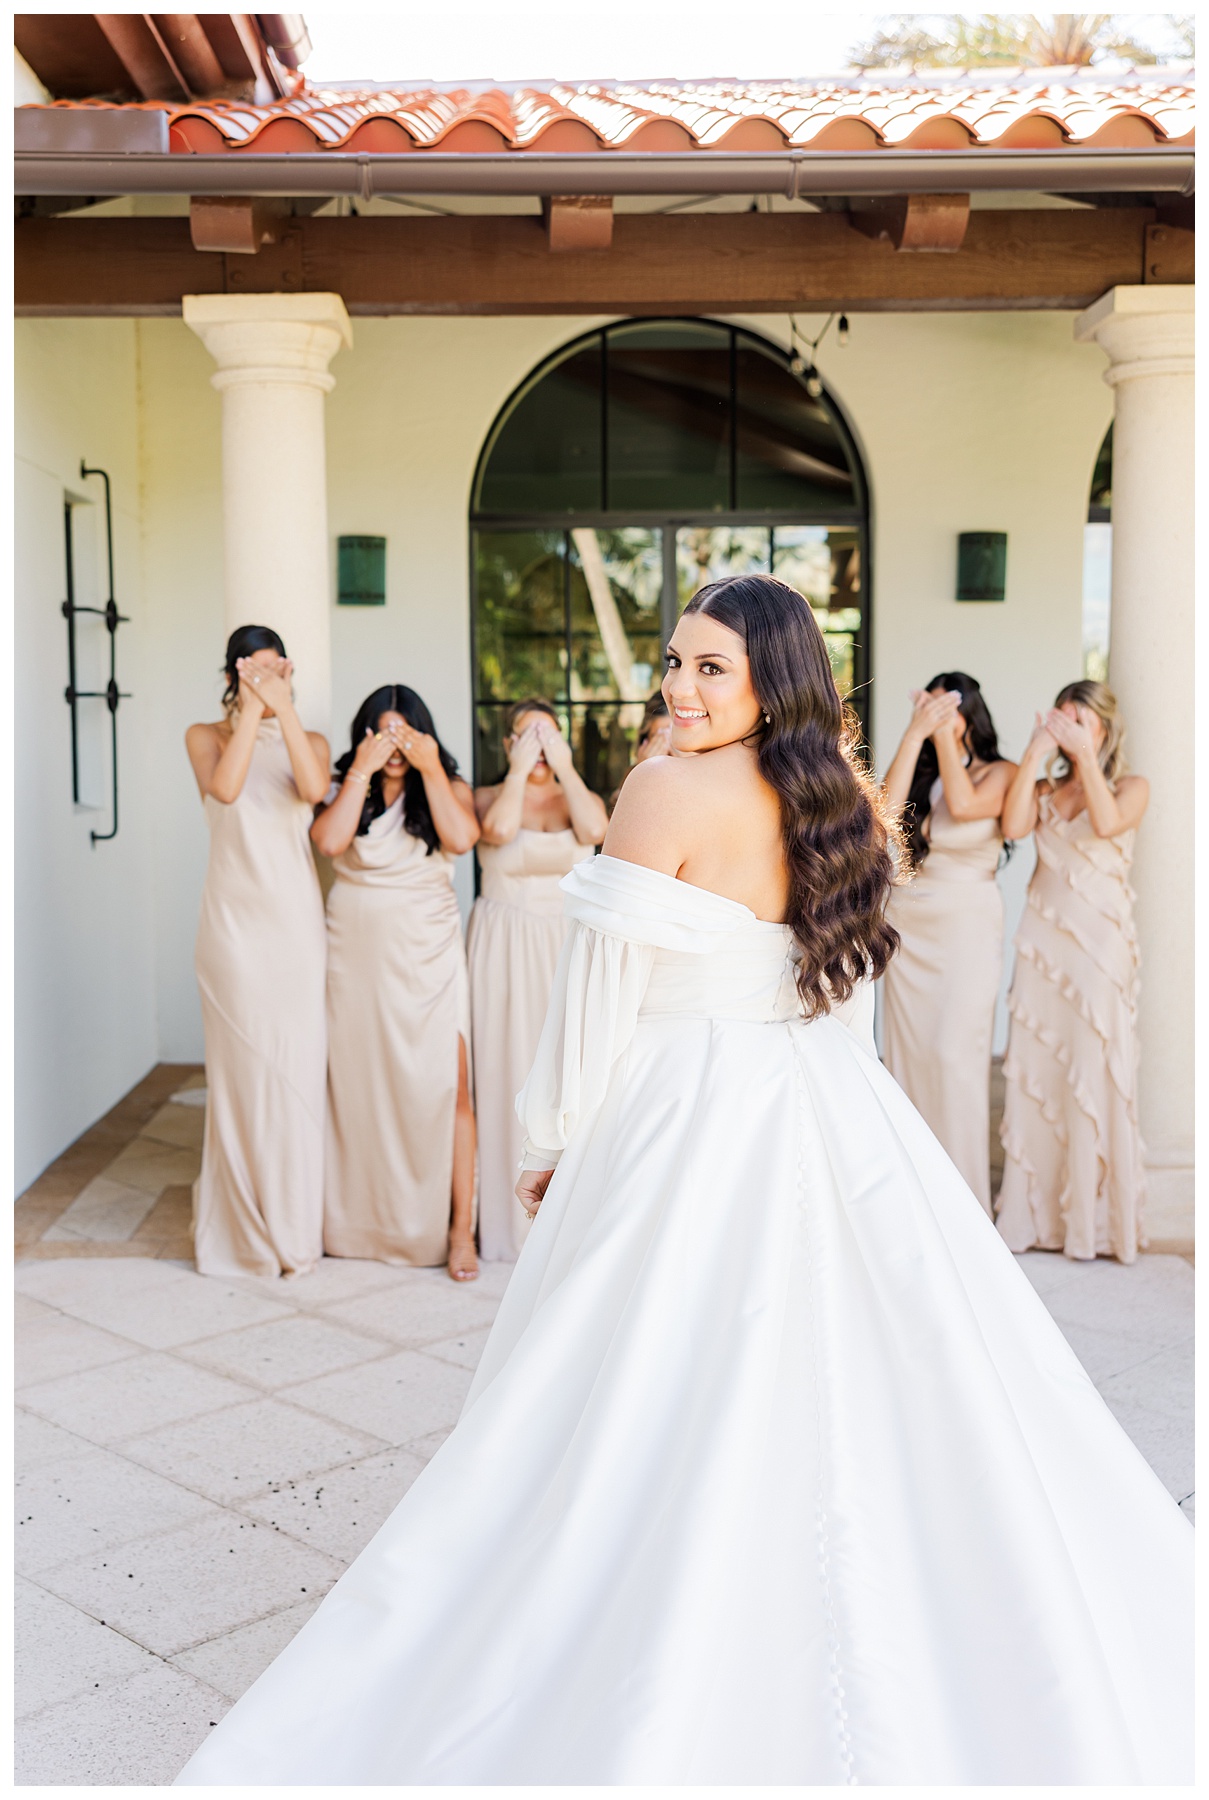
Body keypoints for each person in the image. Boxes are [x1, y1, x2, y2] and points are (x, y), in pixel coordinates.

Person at [176, 579, 1189, 1787]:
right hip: (829, 1103)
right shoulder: (845, 800)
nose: (680, 689)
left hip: (692, 1105)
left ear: (776, 676)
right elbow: (844, 995)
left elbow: (597, 987)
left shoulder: (663, 790)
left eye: (713, 668)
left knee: (639, 1382)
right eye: (675, 664)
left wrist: (551, 1137)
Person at [312, 685, 481, 1282]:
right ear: (363, 735)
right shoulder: (343, 789)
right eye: (381, 732)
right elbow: (330, 843)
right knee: (356, 1088)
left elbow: (462, 840)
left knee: (445, 1089)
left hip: (427, 958)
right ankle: (357, 1223)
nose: (393, 745)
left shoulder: (446, 787)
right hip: (353, 958)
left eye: (403, 732)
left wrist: (430, 765)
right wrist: (359, 769)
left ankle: (459, 1231)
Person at [185, 626, 330, 1280]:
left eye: (278, 670)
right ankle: (241, 1228)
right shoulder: (206, 737)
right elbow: (227, 790)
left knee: (295, 1067)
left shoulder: (313, 740)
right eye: (255, 670)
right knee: (243, 1072)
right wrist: (250, 708)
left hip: (293, 924)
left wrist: (284, 707)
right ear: (233, 674)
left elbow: (310, 788)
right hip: (234, 930)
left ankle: (293, 1224)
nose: (268, 681)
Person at [995, 680, 1150, 1263]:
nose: (1070, 728)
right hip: (1043, 944)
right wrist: (1036, 750)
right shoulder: (1043, 788)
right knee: (1039, 1070)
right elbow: (1011, 830)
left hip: (1101, 949)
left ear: (1103, 728)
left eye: (1081, 720)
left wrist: (1083, 755)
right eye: (1063, 718)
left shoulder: (1131, 787)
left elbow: (1108, 824)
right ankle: (1035, 1217)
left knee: (1094, 1070)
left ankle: (1094, 1224)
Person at [468, 699, 606, 1261]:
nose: (540, 745)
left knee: (567, 1072)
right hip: (504, 944)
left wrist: (565, 767)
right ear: (508, 744)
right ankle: (502, 1222)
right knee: (504, 1069)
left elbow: (595, 829)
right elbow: (498, 831)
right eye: (527, 736)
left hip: (564, 944)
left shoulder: (580, 795)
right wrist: (520, 773)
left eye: (549, 735)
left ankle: (567, 1223)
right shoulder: (487, 798)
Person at [880, 673, 1017, 1211]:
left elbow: (963, 806)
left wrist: (939, 736)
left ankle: (964, 1203)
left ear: (971, 715)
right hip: (910, 928)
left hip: (967, 928)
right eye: (931, 707)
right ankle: (913, 1197)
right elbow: (881, 816)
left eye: (948, 709)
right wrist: (915, 735)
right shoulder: (924, 772)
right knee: (909, 1059)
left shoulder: (1001, 773)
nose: (938, 718)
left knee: (954, 1057)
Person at [607, 690, 673, 813]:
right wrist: (641, 770)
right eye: (658, 737)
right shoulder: (635, 773)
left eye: (671, 735)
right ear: (646, 740)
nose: (665, 745)